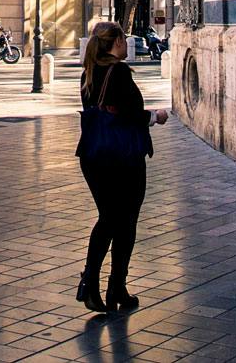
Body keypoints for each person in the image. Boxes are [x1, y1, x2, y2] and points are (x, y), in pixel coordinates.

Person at [75, 21, 168, 315]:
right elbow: (128, 114)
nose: (127, 44)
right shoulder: (119, 71)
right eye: (124, 39)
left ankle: (92, 282)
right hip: (122, 157)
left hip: (93, 156)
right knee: (125, 222)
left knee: (108, 218)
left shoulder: (88, 73)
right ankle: (115, 286)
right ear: (114, 43)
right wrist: (156, 116)